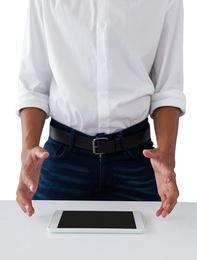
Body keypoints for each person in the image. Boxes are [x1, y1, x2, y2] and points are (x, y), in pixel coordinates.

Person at [16, 0, 186, 218]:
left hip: (137, 161)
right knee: (47, 249)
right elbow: (33, 86)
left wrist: (167, 159)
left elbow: (167, 88)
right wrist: (27, 152)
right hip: (61, 162)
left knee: (147, 249)